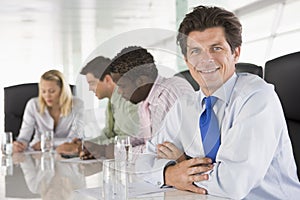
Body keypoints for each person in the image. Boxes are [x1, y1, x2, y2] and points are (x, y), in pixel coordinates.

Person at [136, 5, 300, 199]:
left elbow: (232, 183)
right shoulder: (185, 105)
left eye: (216, 48)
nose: (206, 60)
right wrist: (169, 173)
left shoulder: (257, 97)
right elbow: (143, 163)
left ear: (235, 53)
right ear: (187, 60)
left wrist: (182, 166)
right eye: (196, 51)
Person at [109, 46, 194, 148]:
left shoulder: (169, 92)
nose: (119, 92)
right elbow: (145, 139)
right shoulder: (145, 103)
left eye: (122, 86)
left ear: (141, 82)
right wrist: (117, 147)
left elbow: (161, 150)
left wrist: (125, 152)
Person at [56, 56, 139, 158]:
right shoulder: (111, 102)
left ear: (107, 80)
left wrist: (91, 146)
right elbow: (107, 135)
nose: (90, 89)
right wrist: (83, 143)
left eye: (92, 83)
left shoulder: (127, 101)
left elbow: (130, 139)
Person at [13, 69, 84, 153]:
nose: (47, 96)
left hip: (66, 155)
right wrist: (18, 145)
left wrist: (45, 142)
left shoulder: (77, 105)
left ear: (62, 91)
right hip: (38, 154)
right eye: (43, 91)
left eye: (52, 91)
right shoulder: (33, 105)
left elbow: (74, 140)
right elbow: (24, 138)